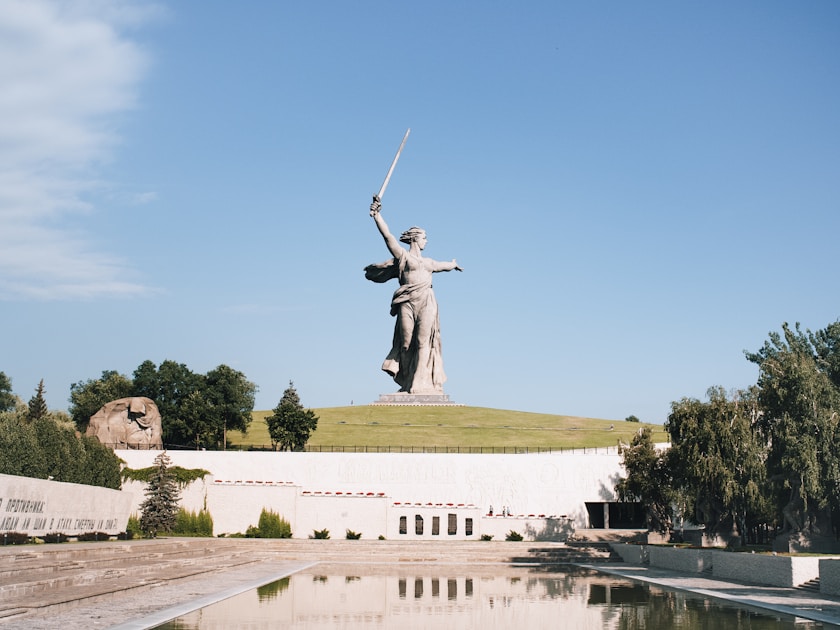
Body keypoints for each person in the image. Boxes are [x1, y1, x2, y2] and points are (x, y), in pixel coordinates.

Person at [365, 197, 462, 394]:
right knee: (407, 342)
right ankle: (408, 381)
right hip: (407, 302)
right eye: (424, 237)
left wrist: (453, 264)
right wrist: (377, 216)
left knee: (423, 341)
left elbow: (445, 265)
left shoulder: (429, 263)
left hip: (426, 301)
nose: (426, 240)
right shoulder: (404, 257)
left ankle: (419, 381)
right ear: (415, 238)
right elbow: (388, 237)